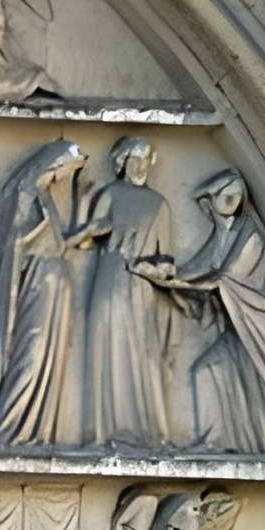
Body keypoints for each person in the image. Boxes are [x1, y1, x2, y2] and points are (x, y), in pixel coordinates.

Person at [145, 168, 265, 455]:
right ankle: (215, 441)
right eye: (221, 198)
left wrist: (170, 280)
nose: (225, 204)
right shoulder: (220, 237)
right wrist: (165, 274)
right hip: (240, 332)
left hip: (264, 331)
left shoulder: (249, 236)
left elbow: (221, 278)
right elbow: (196, 269)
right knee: (207, 370)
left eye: (231, 197)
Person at [79, 136, 185, 448]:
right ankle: (103, 432)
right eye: (133, 159)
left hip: (141, 286)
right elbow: (86, 240)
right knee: (105, 346)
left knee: (141, 352)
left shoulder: (158, 204)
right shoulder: (109, 194)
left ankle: (147, 433)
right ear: (122, 162)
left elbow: (166, 260)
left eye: (144, 160)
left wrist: (149, 267)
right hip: (109, 278)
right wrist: (92, 224)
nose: (139, 166)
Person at [0, 139, 91, 446]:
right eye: (68, 168)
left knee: (49, 357)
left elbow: (55, 242)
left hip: (55, 282)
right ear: (55, 166)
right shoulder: (27, 193)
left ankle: (36, 430)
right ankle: (9, 428)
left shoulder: (44, 198)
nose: (67, 175)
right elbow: (18, 242)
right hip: (37, 280)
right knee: (31, 351)